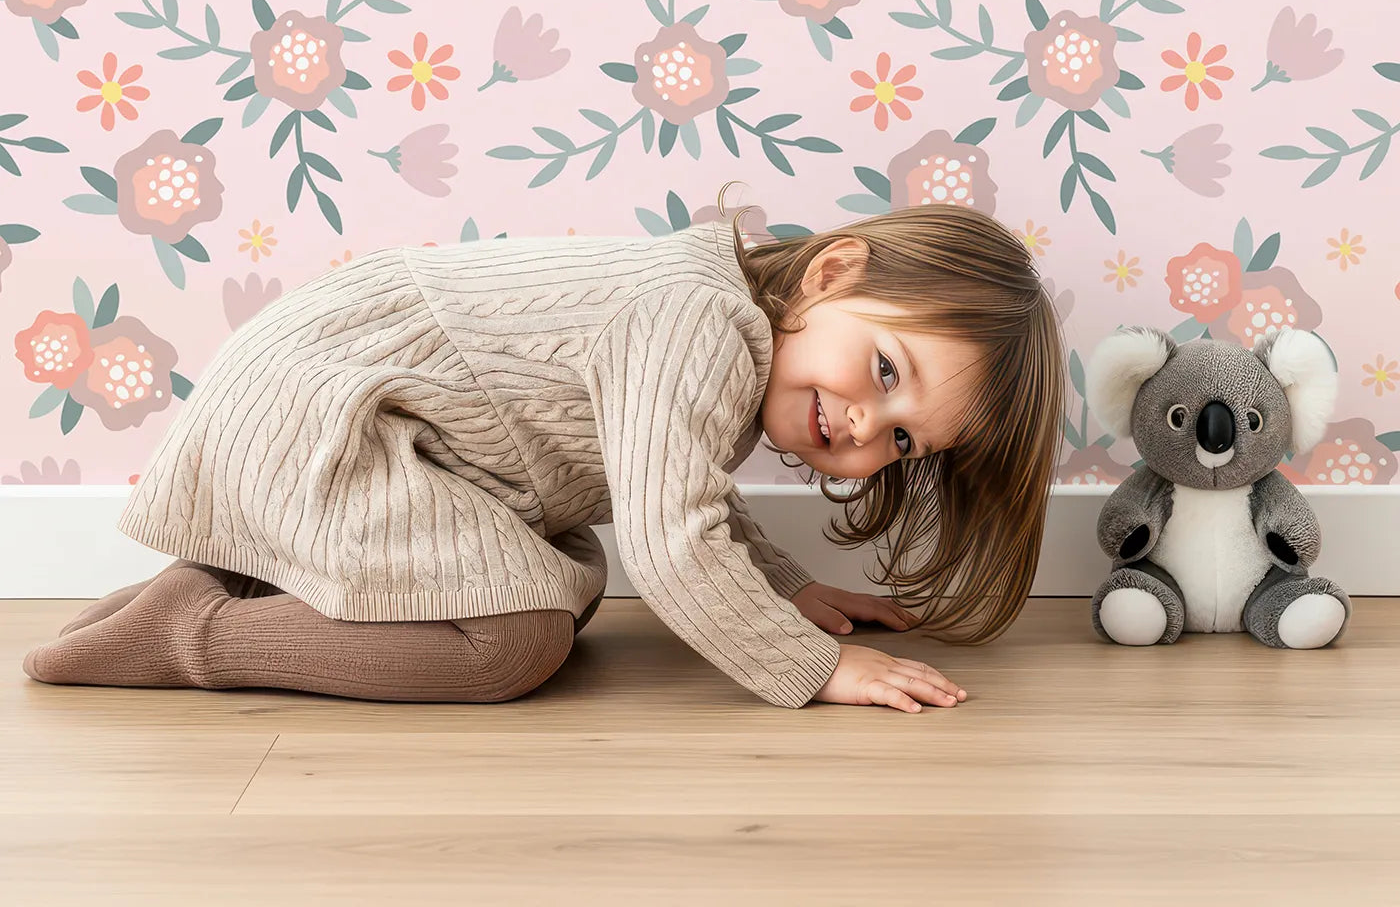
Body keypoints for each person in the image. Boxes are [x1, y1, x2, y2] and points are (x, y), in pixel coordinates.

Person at [22, 180, 1066, 713]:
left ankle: (232, 581)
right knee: (516, 641)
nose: (861, 428)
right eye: (883, 373)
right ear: (832, 273)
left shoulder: (723, 321)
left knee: (564, 574)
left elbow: (682, 485)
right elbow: (671, 539)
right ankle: (193, 631)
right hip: (324, 413)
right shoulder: (698, 319)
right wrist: (814, 664)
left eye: (899, 443)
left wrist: (785, 584)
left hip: (345, 420)